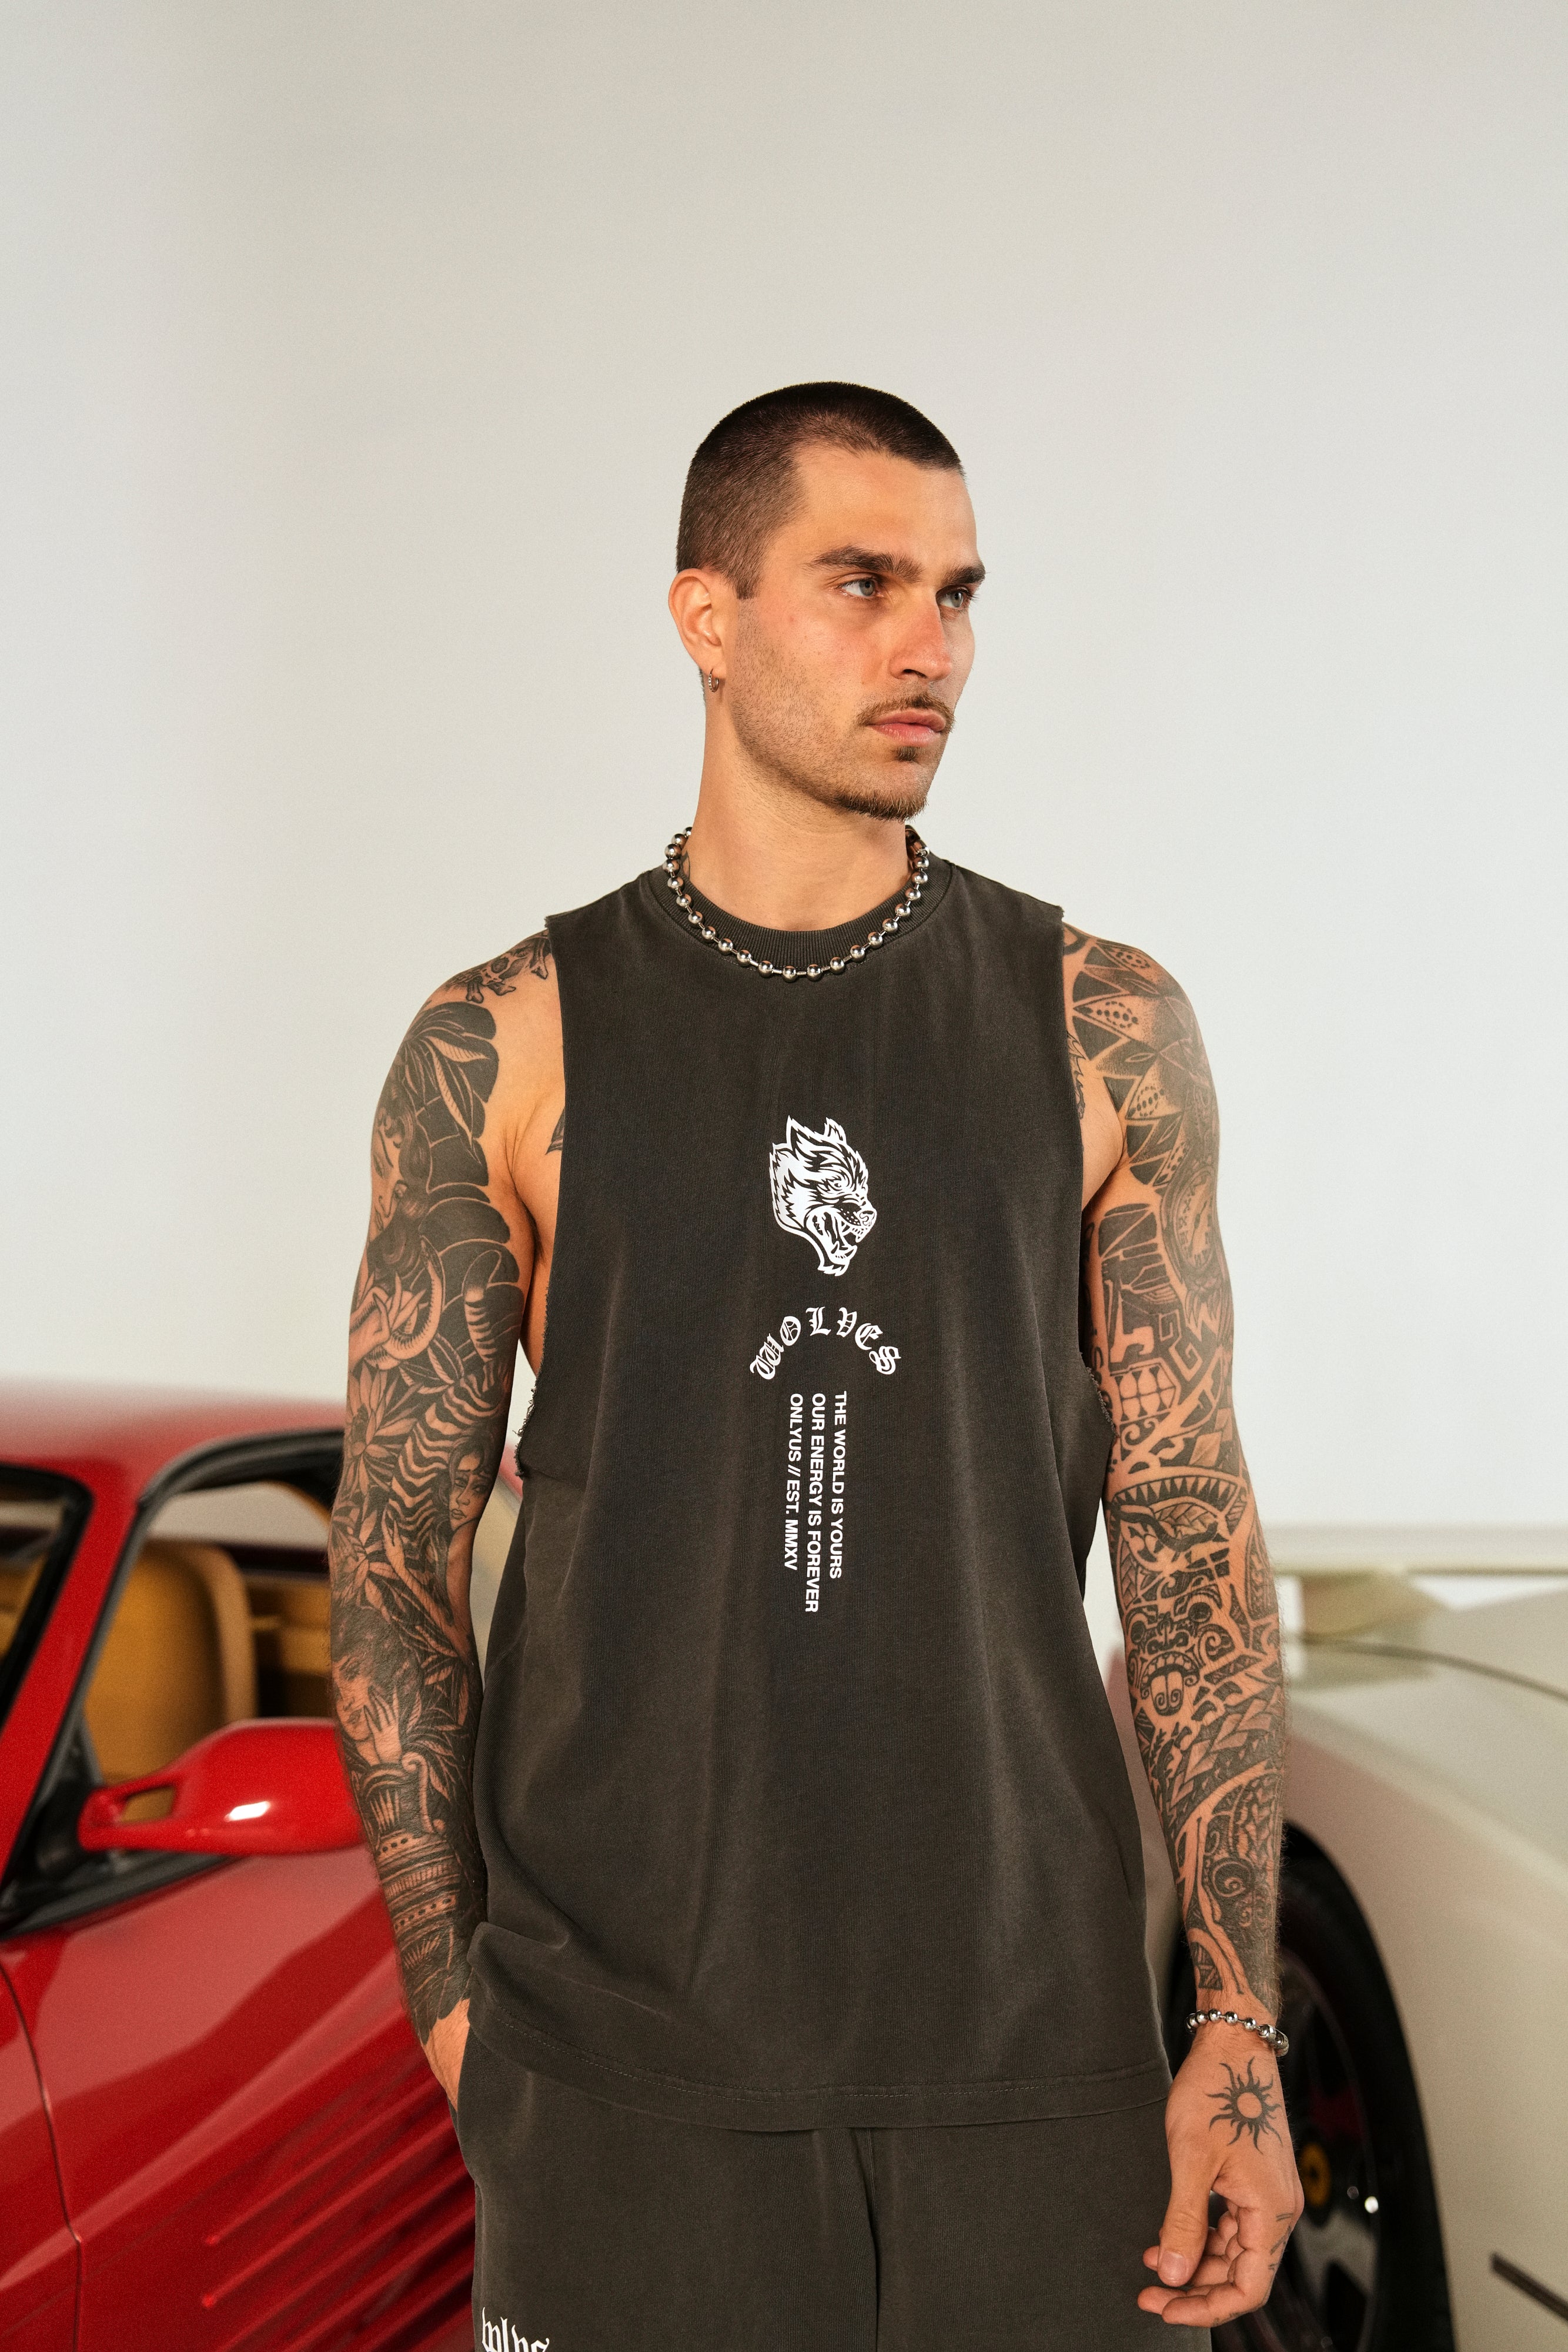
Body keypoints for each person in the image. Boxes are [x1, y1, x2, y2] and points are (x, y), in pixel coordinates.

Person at [328, 382, 1301, 2349]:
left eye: (956, 593)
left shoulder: (1097, 1026)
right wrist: (458, 2011)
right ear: (706, 616)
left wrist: (1235, 2024)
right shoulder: (505, 1046)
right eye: (861, 582)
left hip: (1033, 2055)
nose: (926, 644)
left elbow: (1188, 1541)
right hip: (622, 2073)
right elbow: (390, 1560)